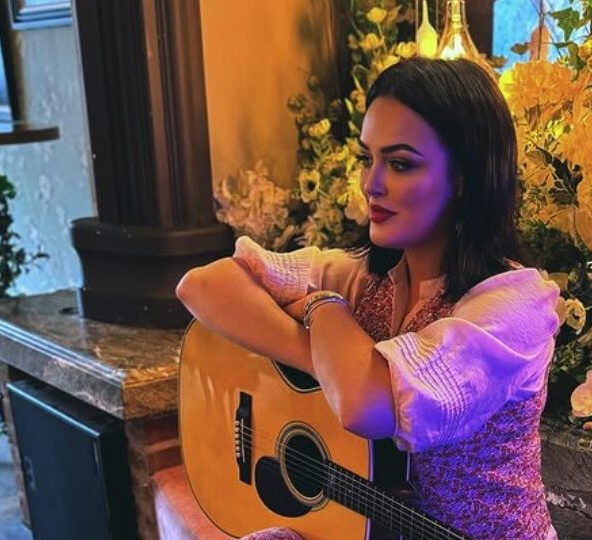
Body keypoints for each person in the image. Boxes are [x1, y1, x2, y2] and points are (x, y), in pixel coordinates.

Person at [176, 57, 560, 540]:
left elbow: (366, 405)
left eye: (399, 164)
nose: (370, 184)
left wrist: (322, 309)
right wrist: (322, 361)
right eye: (367, 158)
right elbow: (202, 285)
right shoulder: (365, 276)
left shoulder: (516, 304)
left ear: (465, 178)